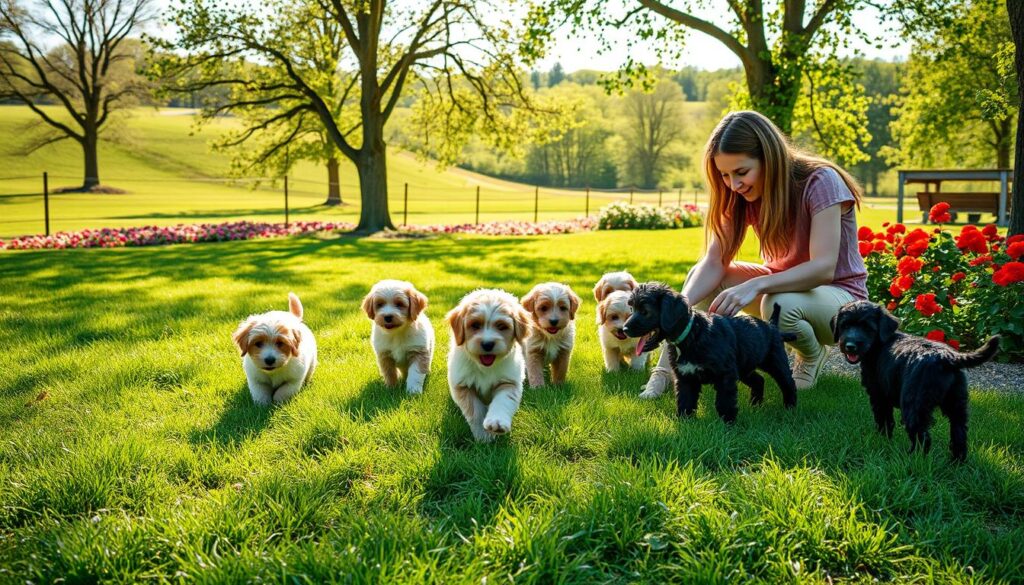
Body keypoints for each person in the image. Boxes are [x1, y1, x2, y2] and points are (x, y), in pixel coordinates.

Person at [641, 110, 868, 398]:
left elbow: (823, 267)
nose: (734, 185)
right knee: (704, 279)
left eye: (741, 172)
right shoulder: (740, 196)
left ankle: (811, 356)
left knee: (779, 303)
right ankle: (663, 375)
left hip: (839, 298)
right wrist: (680, 306)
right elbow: (714, 262)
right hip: (784, 286)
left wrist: (756, 284)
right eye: (724, 175)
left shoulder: (820, 180)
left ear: (769, 159)